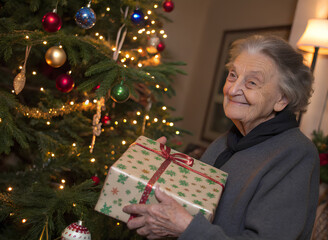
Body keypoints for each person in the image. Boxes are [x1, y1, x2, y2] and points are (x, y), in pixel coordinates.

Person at [123, 35, 320, 240]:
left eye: (252, 82)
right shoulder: (225, 142)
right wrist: (152, 168)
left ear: (282, 99)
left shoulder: (296, 154)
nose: (233, 90)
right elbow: (194, 210)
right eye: (233, 75)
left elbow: (192, 226)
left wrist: (186, 228)